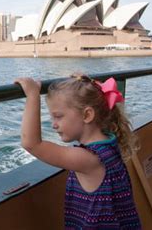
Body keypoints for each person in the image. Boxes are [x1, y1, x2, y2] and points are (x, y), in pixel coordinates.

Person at [14, 74, 141, 229]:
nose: (54, 125)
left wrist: (32, 95)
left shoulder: (88, 159)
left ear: (87, 115)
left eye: (58, 116)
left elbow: (31, 143)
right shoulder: (109, 142)